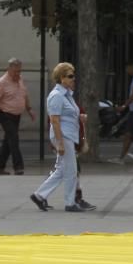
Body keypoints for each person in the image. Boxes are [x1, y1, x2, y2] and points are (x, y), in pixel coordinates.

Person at [30, 63, 83, 212]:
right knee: (71, 170)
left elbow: (69, 114)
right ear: (61, 78)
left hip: (67, 136)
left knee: (61, 169)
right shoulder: (57, 96)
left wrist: (81, 118)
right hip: (63, 137)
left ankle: (39, 195)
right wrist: (59, 143)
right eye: (70, 76)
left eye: (74, 75)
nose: (74, 79)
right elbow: (54, 120)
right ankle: (70, 203)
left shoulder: (66, 94)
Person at [0, 58, 35, 175]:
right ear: (9, 69)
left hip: (16, 115)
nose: (18, 74)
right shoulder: (2, 82)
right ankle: (18, 166)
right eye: (15, 72)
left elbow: (24, 95)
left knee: (8, 141)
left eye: (19, 71)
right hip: (4, 114)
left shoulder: (20, 80)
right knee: (13, 138)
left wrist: (29, 109)